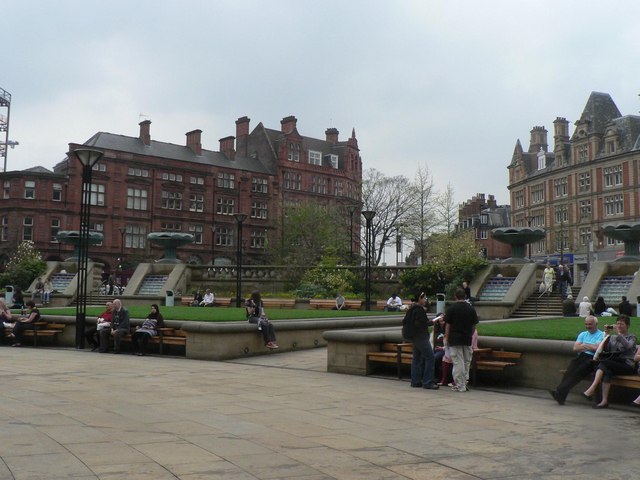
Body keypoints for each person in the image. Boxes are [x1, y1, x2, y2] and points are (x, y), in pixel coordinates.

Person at [583, 315, 637, 408]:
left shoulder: (632, 337)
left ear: (627, 326)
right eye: (618, 323)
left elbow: (628, 346)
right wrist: (606, 335)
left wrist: (619, 335)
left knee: (604, 364)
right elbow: (607, 349)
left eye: (622, 324)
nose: (619, 326)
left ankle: (592, 389)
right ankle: (604, 401)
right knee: (607, 371)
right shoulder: (613, 337)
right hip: (615, 363)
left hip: (627, 365)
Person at [549, 315, 604, 405]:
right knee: (568, 372)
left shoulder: (601, 335)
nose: (587, 326)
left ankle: (559, 393)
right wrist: (589, 346)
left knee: (576, 374)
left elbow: (596, 348)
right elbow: (575, 348)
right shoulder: (582, 334)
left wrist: (583, 345)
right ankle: (560, 396)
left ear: (596, 324)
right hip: (580, 357)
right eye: (586, 324)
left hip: (592, 360)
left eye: (590, 324)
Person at [444, 288, 479, 392]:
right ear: (465, 296)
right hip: (467, 338)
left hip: (455, 339)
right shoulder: (470, 308)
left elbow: (448, 325)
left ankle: (460, 384)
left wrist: (446, 337)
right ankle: (464, 382)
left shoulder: (451, 309)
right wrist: (471, 334)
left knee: (457, 362)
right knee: (466, 361)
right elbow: (474, 325)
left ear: (455, 296)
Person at [403, 292, 439, 390]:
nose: (425, 300)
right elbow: (421, 324)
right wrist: (432, 322)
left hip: (414, 337)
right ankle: (428, 382)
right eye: (424, 298)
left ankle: (415, 381)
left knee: (416, 359)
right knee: (430, 357)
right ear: (419, 298)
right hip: (421, 337)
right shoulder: (419, 310)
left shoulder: (411, 309)